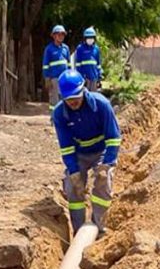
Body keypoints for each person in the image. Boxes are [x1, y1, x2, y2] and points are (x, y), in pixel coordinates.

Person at [52, 69, 121, 235]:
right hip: (79, 155)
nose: (73, 102)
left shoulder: (101, 105)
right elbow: (66, 147)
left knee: (102, 185)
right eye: (68, 99)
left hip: (101, 152)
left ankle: (100, 227)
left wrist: (106, 164)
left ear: (83, 89)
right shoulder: (60, 114)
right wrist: (74, 172)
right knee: (72, 187)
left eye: (76, 97)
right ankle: (78, 230)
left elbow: (113, 138)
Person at [42, 25, 71, 110]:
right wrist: (47, 79)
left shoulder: (66, 48)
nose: (60, 36)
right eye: (58, 34)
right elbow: (45, 65)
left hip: (64, 78)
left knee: (65, 99)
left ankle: (63, 119)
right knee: (54, 100)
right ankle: (53, 119)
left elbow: (69, 64)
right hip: (54, 79)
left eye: (62, 35)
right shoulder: (49, 49)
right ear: (54, 36)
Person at [74, 27, 103, 92]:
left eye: (91, 37)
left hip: (94, 78)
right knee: (84, 97)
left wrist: (99, 77)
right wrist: (81, 77)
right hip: (84, 79)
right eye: (88, 37)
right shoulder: (80, 48)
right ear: (85, 38)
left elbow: (98, 64)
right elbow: (78, 65)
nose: (90, 39)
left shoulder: (96, 49)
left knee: (93, 97)